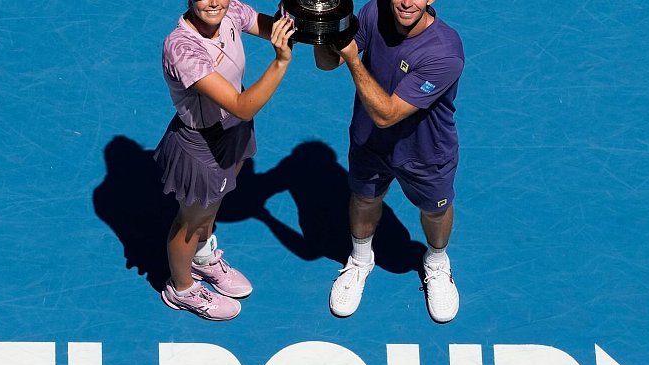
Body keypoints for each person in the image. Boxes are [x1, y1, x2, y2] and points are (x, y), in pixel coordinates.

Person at [314, 0, 464, 322]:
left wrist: (353, 58)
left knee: (435, 212)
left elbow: (387, 115)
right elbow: (328, 63)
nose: (406, 3)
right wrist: (324, 28)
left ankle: (437, 263)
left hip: (426, 152)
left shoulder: (445, 52)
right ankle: (360, 259)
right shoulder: (373, 12)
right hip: (370, 143)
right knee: (365, 199)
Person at [156, 0, 295, 321]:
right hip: (203, 142)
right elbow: (241, 105)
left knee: (215, 203)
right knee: (190, 223)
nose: (215, 2)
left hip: (234, 129)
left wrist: (297, 14)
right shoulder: (182, 48)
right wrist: (280, 62)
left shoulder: (230, 10)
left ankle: (202, 258)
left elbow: (276, 29)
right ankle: (182, 289)